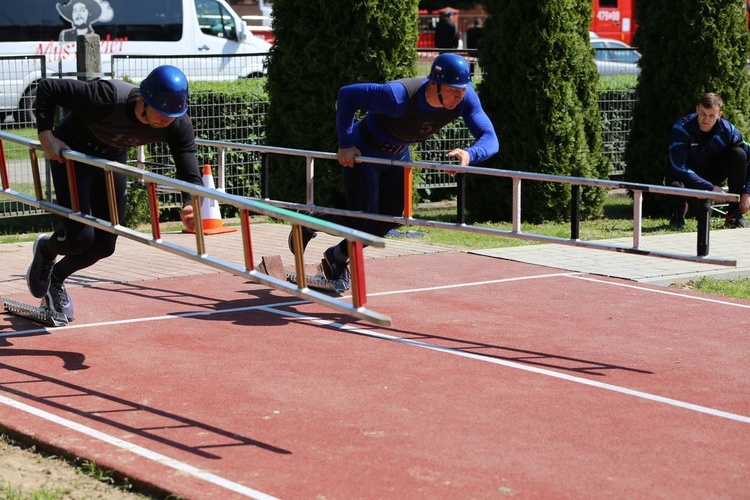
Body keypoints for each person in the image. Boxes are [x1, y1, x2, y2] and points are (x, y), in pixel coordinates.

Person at [289, 53, 499, 288]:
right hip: (366, 151)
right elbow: (347, 95)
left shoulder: (466, 99)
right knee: (364, 220)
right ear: (434, 85)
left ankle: (335, 258)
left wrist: (470, 154)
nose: (459, 96)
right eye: (453, 90)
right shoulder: (397, 96)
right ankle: (307, 221)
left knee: (387, 221)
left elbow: (490, 138)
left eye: (462, 89)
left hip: (397, 154)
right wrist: (346, 143)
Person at [26, 65, 204, 322]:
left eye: (173, 115)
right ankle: (46, 251)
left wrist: (190, 202)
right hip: (73, 153)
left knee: (105, 245)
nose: (167, 120)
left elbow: (187, 162)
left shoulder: (177, 123)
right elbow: (48, 88)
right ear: (143, 101)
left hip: (109, 160)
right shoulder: (107, 96)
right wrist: (46, 136)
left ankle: (56, 279)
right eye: (162, 113)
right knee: (80, 237)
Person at [666, 92, 750, 229]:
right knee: (675, 187)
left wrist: (747, 192)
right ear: (697, 109)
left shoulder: (728, 130)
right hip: (684, 175)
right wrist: (710, 188)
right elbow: (678, 167)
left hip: (710, 172)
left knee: (739, 154)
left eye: (712, 116)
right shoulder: (681, 128)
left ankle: (733, 214)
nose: (706, 119)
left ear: (719, 115)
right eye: (703, 114)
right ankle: (679, 210)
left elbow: (748, 158)